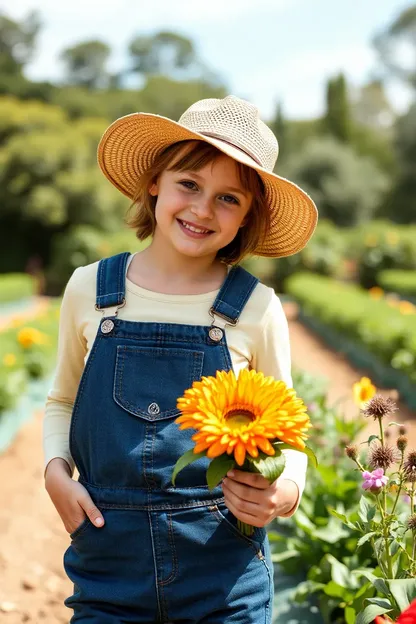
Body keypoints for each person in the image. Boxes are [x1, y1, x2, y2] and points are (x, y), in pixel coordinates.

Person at [43, 95, 318, 623]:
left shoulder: (255, 308)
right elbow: (61, 399)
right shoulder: (91, 290)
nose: (201, 209)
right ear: (155, 181)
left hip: (225, 575)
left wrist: (282, 492)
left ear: (247, 218)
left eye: (228, 199)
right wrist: (56, 471)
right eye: (189, 184)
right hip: (108, 570)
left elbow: (293, 433)